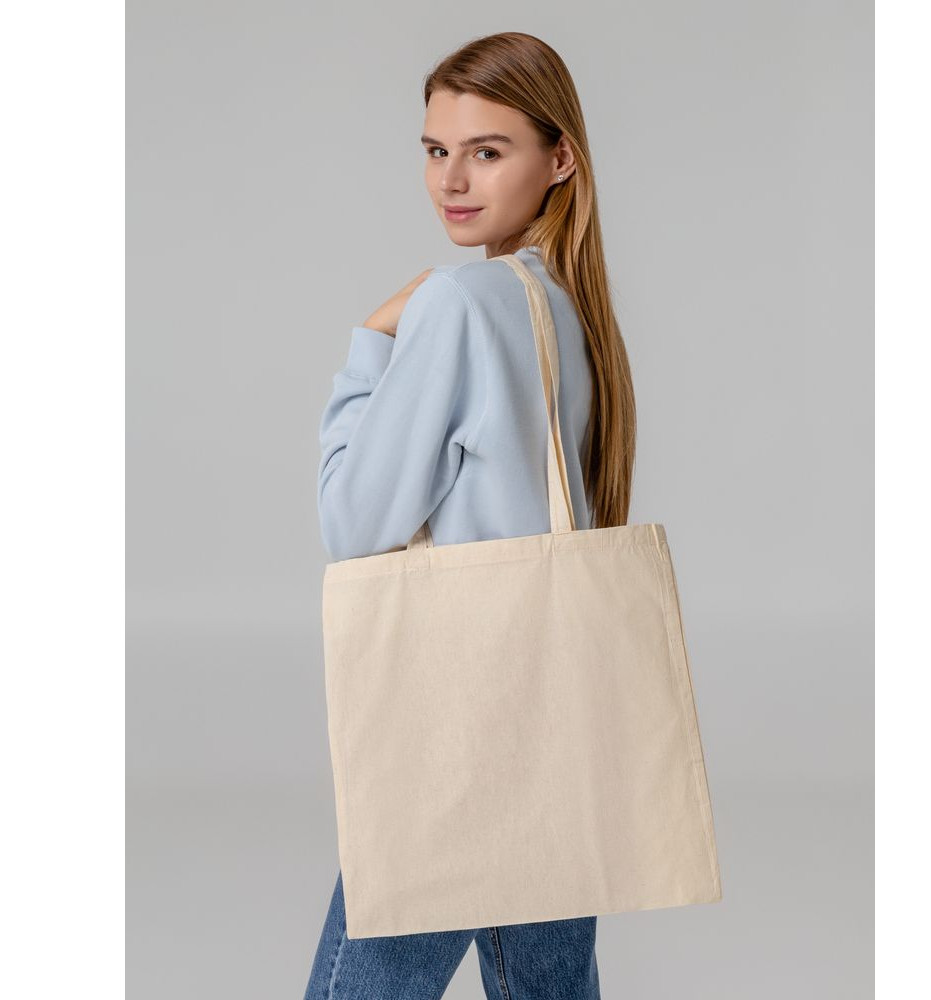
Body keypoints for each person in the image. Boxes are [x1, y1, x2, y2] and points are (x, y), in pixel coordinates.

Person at [304, 31, 637, 999]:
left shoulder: (460, 304)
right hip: (555, 716)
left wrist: (371, 342)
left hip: (462, 722)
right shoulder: (568, 306)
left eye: (487, 151)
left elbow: (353, 523)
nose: (451, 180)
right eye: (435, 150)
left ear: (559, 158)